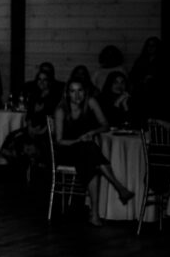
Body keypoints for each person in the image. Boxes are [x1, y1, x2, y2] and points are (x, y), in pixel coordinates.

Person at [53, 78, 135, 227]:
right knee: (90, 152)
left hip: (85, 150)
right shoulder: (61, 110)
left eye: (80, 91)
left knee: (90, 156)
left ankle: (95, 215)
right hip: (67, 150)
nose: (77, 95)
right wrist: (78, 141)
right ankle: (118, 188)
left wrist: (92, 132)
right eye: (73, 91)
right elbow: (59, 141)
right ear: (67, 93)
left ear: (85, 92)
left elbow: (105, 125)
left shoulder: (90, 102)